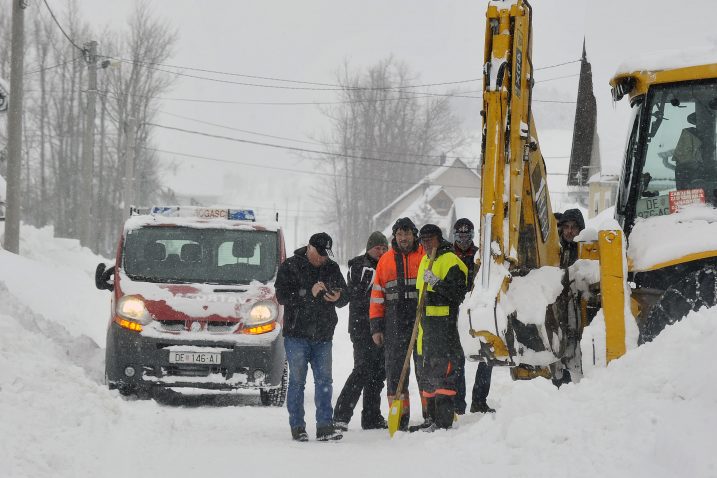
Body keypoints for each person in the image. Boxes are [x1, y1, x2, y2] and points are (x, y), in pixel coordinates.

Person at [275, 232, 349, 442]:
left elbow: (346, 295)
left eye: (326, 254)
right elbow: (281, 296)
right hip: (297, 334)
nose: (322, 258)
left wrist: (339, 296)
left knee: (325, 381)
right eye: (319, 253)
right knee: (297, 382)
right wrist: (307, 292)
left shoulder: (331, 267)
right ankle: (298, 427)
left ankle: (325, 426)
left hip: (323, 335)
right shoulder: (290, 265)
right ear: (309, 247)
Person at [369, 217, 425, 431]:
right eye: (399, 234)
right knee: (395, 373)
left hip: (421, 321)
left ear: (414, 235)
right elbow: (377, 296)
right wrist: (376, 327)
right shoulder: (386, 260)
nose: (403, 238)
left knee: (425, 370)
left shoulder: (423, 256)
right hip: (394, 323)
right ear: (395, 236)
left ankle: (431, 415)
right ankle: (399, 418)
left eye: (407, 234)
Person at [333, 231, 389, 431]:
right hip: (361, 328)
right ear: (369, 249)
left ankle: (372, 416)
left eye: (384, 248)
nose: (381, 252)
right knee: (362, 370)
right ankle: (341, 415)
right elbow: (356, 295)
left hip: (382, 328)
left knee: (378, 373)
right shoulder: (359, 266)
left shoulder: (388, 265)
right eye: (377, 248)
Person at [415, 224, 468, 430]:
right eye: (423, 241)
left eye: (430, 240)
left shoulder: (451, 261)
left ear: (439, 239)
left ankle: (444, 422)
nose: (426, 244)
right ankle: (431, 419)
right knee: (429, 376)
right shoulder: (425, 261)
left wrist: (437, 283)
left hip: (446, 331)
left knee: (444, 376)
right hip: (427, 331)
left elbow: (458, 295)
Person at [450, 218, 496, 414]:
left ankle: (479, 400)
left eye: (466, 234)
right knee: (457, 358)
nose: (463, 238)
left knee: (487, 355)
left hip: (477, 307)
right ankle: (458, 403)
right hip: (454, 308)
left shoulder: (480, 255)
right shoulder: (447, 254)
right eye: (459, 235)